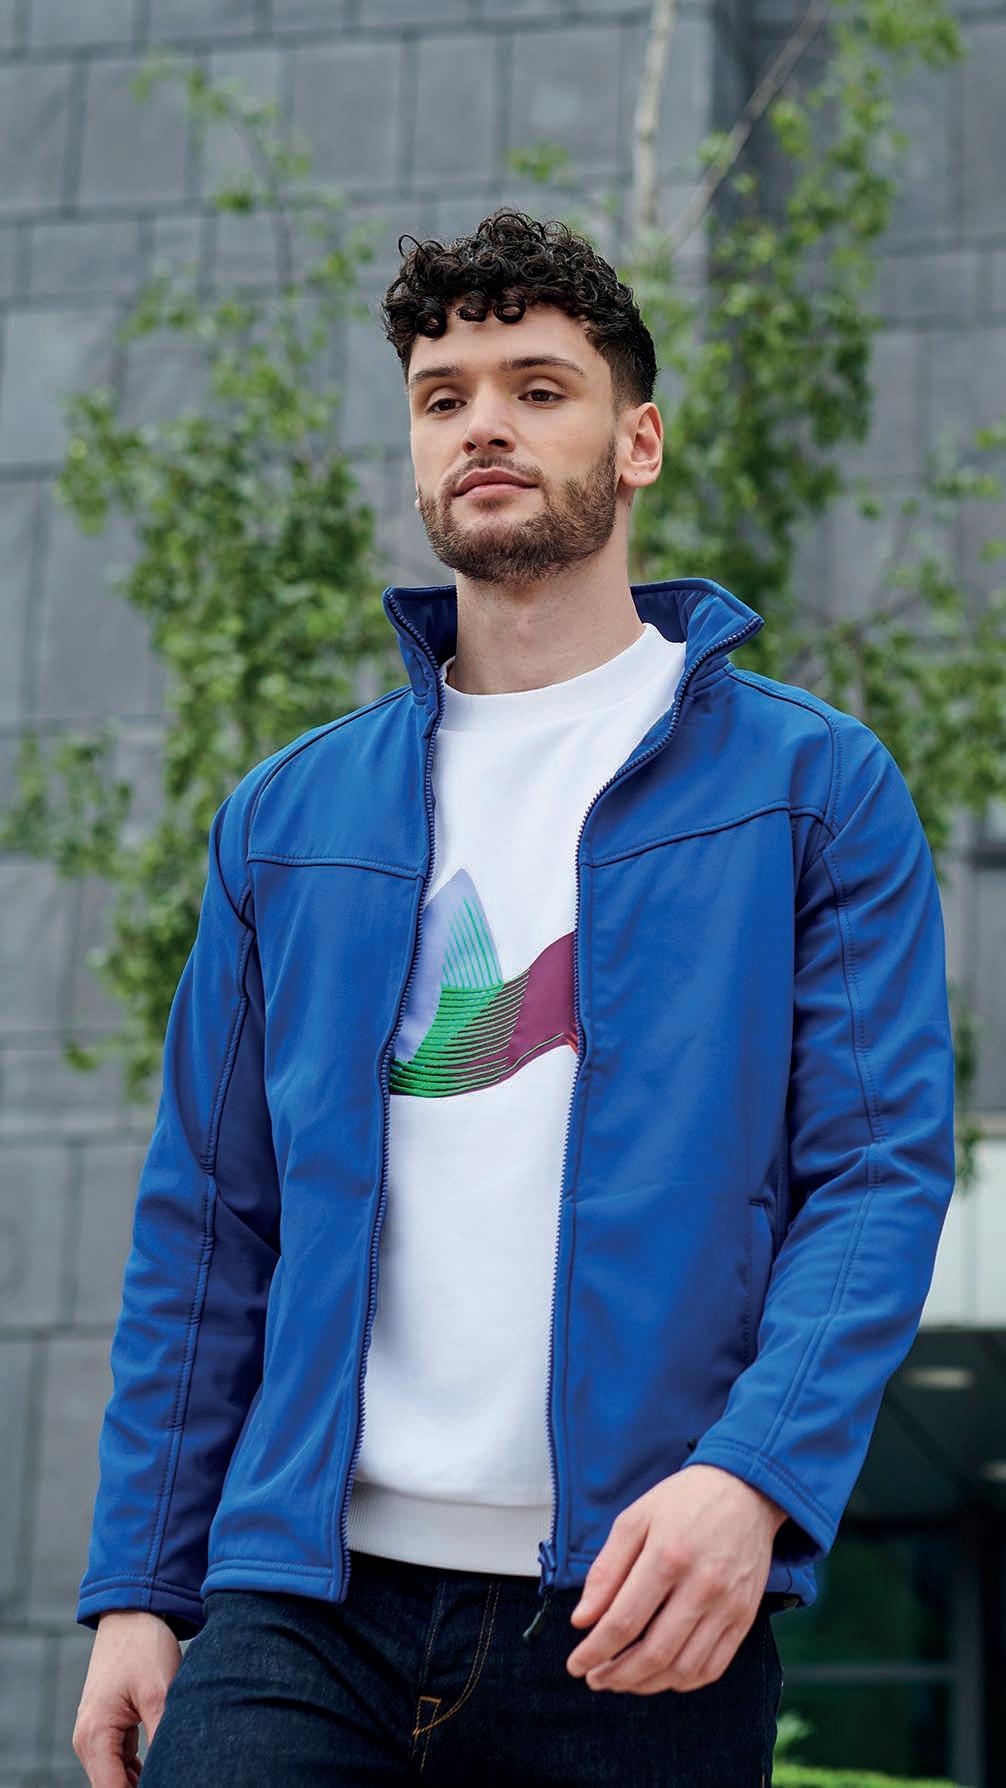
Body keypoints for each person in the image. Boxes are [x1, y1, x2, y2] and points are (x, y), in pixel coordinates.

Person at [72, 209, 956, 1787]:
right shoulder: (286, 818)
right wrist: (144, 1585)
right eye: (443, 396)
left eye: (538, 388)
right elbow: (208, 1224)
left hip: (635, 1599)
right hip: (301, 1605)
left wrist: (754, 1478)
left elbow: (875, 1176)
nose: (482, 422)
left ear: (638, 443)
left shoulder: (812, 789)